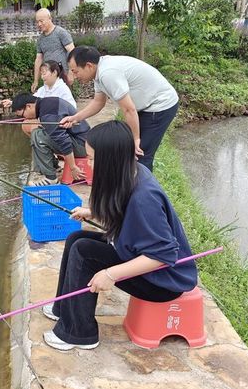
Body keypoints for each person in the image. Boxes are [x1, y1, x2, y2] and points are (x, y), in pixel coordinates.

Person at [41, 121, 198, 351]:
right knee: (77, 240)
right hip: (137, 255)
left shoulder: (145, 199)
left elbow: (163, 255)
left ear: (109, 160)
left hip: (163, 281)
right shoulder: (132, 171)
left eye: (92, 158)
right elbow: (121, 203)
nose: (89, 164)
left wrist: (110, 274)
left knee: (84, 254)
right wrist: (93, 211)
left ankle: (78, 334)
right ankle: (64, 308)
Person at [61, 46, 179, 172]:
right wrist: (75, 118)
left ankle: (143, 188)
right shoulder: (98, 71)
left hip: (160, 105)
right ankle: (128, 183)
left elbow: (129, 109)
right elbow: (98, 102)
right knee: (129, 150)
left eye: (75, 71)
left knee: (140, 153)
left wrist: (135, 139)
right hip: (145, 105)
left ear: (89, 66)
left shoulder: (108, 73)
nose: (74, 76)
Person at [10, 93, 89, 186]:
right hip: (83, 141)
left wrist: (73, 167)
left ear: (29, 106)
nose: (25, 118)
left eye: (23, 114)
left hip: (82, 146)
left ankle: (50, 178)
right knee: (38, 130)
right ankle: (53, 167)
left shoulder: (47, 114)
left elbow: (64, 141)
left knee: (38, 135)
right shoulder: (47, 103)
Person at [2, 60, 76, 110]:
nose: (42, 77)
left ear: (54, 73)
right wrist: (12, 103)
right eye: (41, 74)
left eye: (44, 73)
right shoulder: (43, 89)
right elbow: (31, 99)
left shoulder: (63, 88)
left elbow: (72, 108)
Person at [33, 8, 75, 93]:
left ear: (50, 18)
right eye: (37, 22)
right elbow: (38, 59)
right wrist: (36, 80)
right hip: (48, 77)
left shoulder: (61, 33)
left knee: (64, 102)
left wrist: (71, 72)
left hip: (63, 76)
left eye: (41, 21)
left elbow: (72, 52)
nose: (39, 24)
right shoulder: (40, 39)